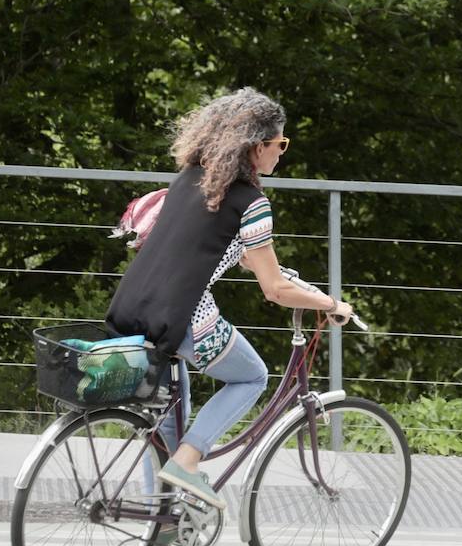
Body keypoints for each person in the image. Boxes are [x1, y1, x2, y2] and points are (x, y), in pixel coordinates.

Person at [106, 87, 352, 510]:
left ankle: (160, 519)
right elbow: (274, 290)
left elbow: (234, 255)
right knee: (251, 376)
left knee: (167, 414)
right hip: (184, 317)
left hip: (133, 307)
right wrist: (331, 305)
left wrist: (304, 288)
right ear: (258, 147)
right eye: (281, 144)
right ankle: (189, 460)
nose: (282, 153)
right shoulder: (251, 202)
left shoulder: (190, 180)